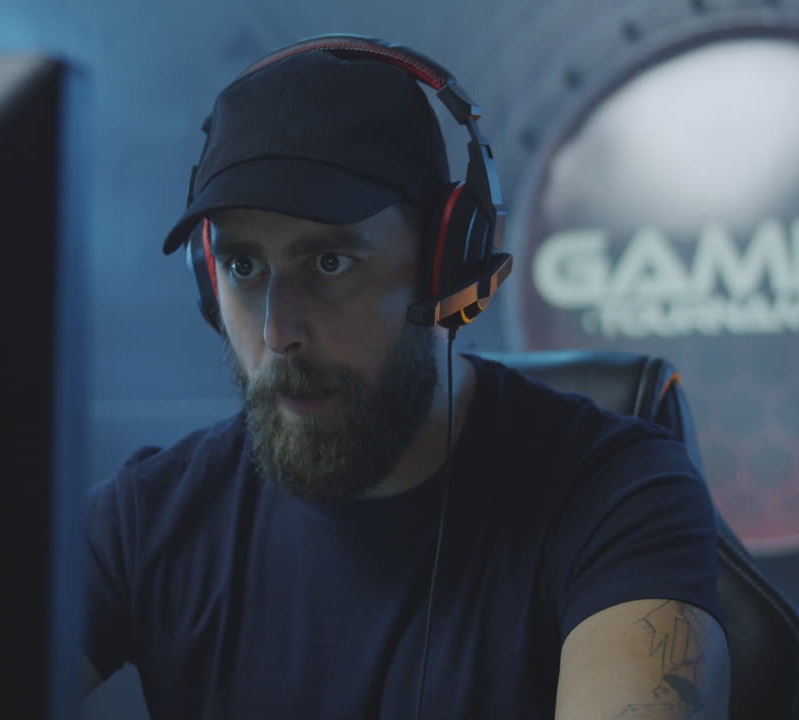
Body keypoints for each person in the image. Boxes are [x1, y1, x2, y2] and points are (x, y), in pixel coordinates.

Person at [82, 35, 729, 720]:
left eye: (329, 263)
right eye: (244, 267)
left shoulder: (619, 497)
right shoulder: (143, 521)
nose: (279, 332)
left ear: (444, 268)